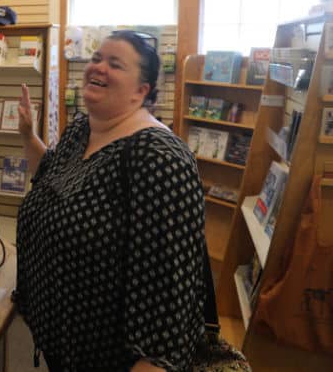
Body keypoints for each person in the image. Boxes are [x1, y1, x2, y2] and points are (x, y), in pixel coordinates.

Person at [14, 30, 206, 371]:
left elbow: (169, 314)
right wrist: (29, 136)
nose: (98, 68)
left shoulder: (159, 158)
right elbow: (52, 179)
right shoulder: (81, 130)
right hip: (62, 351)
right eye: (96, 59)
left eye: (115, 64)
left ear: (140, 91)